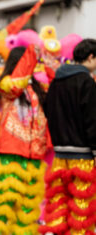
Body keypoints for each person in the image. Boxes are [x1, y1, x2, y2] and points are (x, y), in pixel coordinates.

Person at [0, 46, 48, 235]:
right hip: (12, 153)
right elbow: (17, 84)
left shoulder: (36, 88)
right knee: (2, 205)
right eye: (31, 61)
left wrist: (48, 59)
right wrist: (32, 52)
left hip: (34, 154)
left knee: (27, 210)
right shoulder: (6, 84)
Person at [40, 39, 96, 235]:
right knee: (81, 207)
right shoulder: (86, 81)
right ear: (91, 57)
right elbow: (92, 119)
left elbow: (48, 110)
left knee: (58, 204)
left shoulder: (56, 81)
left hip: (59, 155)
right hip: (82, 156)